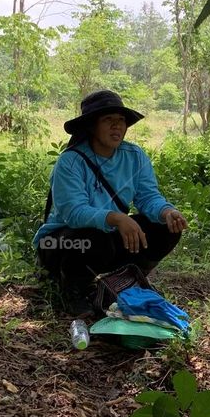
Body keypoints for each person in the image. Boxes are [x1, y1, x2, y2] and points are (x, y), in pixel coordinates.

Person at [34, 90, 188, 312]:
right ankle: (74, 287)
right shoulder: (70, 161)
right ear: (91, 126)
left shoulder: (135, 156)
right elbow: (74, 213)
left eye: (121, 120)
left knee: (165, 228)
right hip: (61, 243)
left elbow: (148, 196)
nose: (117, 126)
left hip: (106, 236)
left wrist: (166, 212)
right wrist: (116, 218)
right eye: (108, 120)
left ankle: (129, 280)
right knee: (95, 239)